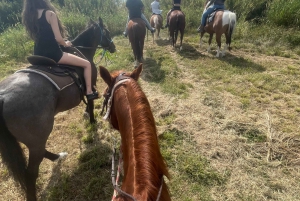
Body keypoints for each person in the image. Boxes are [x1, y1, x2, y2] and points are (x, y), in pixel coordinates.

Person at [22, 0, 98, 100]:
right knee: (87, 64)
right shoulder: (50, 14)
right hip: (53, 54)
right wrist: (65, 43)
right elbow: (58, 38)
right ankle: (89, 92)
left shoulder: (29, 16)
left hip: (38, 53)